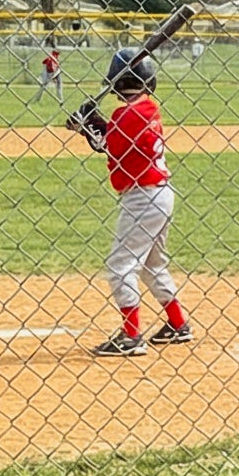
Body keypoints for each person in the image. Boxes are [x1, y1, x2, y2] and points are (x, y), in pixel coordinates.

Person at [91, 50, 193, 356]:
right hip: (159, 194)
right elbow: (117, 137)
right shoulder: (146, 108)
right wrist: (96, 125)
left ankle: (131, 336)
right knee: (151, 265)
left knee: (120, 267)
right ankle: (177, 324)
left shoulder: (126, 114)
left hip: (142, 197)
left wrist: (89, 126)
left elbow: (111, 145)